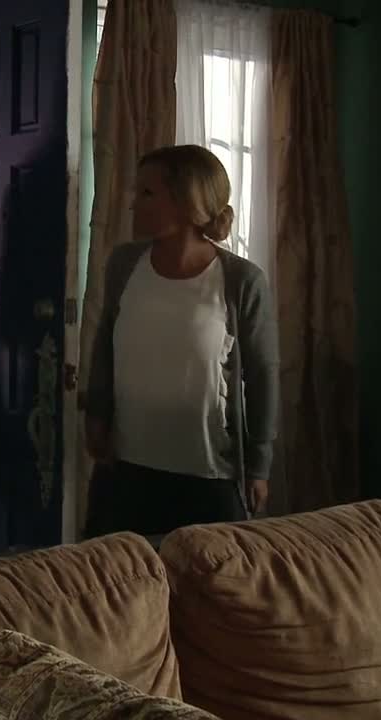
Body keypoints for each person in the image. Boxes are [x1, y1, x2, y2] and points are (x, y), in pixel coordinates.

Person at [83, 144, 278, 538]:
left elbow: (262, 375)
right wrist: (96, 414)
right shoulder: (124, 264)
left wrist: (259, 465)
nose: (134, 204)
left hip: (208, 477)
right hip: (126, 473)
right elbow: (105, 345)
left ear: (187, 201)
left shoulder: (241, 281)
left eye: (147, 193)